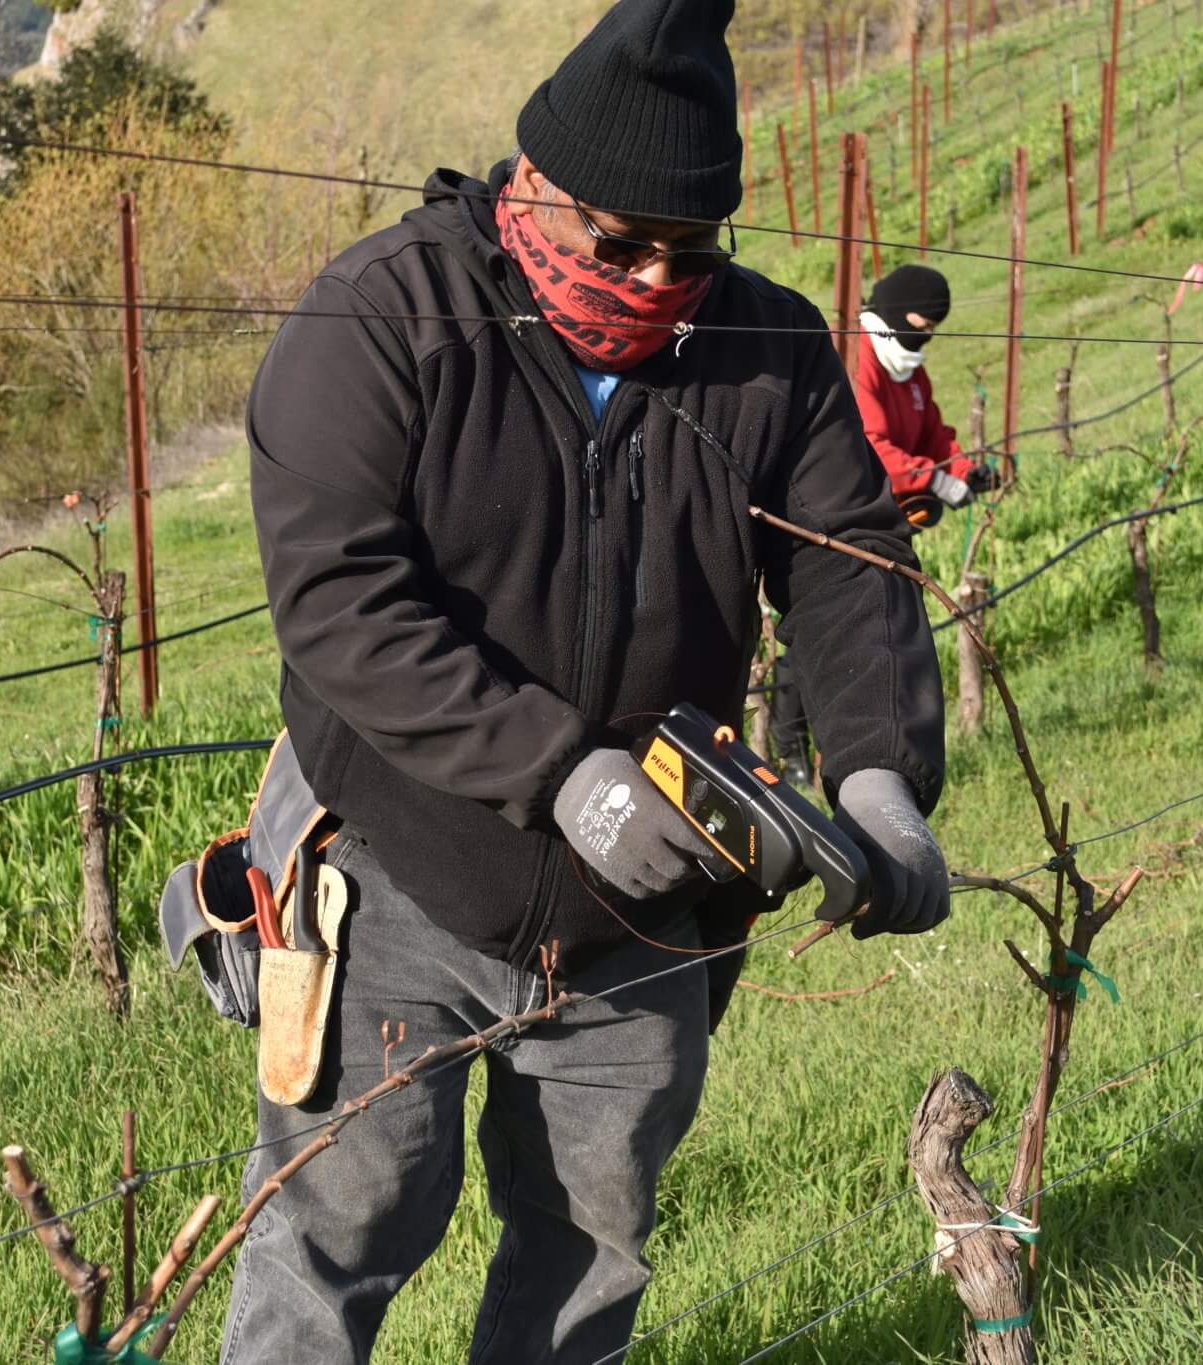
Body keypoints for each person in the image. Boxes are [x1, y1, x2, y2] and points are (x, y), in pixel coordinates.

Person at [232, 2, 951, 1360]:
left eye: (687, 253)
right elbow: (338, 598)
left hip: (655, 908)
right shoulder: (384, 318)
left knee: (590, 1246)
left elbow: (851, 561)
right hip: (398, 862)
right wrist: (557, 771)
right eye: (614, 243)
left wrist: (881, 774)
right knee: (335, 1232)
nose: (649, 279)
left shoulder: (768, 352)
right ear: (532, 187)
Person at [852, 264, 1000, 528]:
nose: (927, 336)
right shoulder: (854, 358)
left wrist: (962, 470)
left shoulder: (910, 369)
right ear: (898, 310)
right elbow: (866, 446)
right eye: (923, 325)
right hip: (849, 514)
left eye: (932, 328)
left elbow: (932, 435)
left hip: (884, 514)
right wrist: (931, 479)